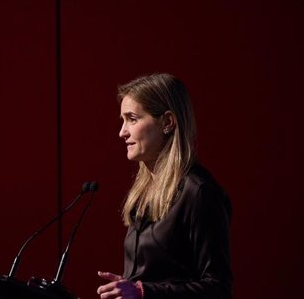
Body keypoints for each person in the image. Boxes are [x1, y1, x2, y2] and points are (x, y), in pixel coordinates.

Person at [96, 73, 231, 299]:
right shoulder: (145, 191)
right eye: (122, 120)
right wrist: (126, 287)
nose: (122, 132)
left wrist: (143, 292)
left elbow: (218, 288)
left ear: (167, 122)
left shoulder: (198, 192)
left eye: (132, 119)